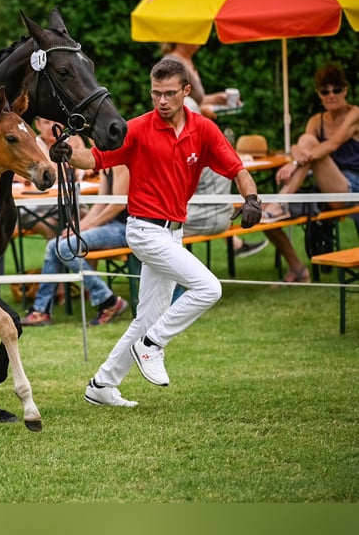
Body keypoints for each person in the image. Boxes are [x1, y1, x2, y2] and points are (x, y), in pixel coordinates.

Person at [49, 57, 262, 407]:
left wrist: (251, 197)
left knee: (147, 317)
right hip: (145, 231)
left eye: (169, 94)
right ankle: (152, 345)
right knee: (209, 287)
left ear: (186, 91)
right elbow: (96, 158)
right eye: (155, 93)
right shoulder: (136, 129)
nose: (162, 101)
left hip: (174, 233)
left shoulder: (205, 129)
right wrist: (67, 155)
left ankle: (101, 384)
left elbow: (237, 168)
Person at [163, 44, 267, 258]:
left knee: (145, 229)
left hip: (204, 216)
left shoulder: (191, 137)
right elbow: (239, 171)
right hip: (218, 213)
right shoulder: (202, 131)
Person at [259, 63, 359, 283]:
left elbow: (332, 145)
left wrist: (295, 162)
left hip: (349, 190)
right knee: (260, 213)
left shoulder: (355, 114)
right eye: (325, 91)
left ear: (345, 90)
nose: (331, 95)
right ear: (319, 94)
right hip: (320, 190)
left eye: (337, 89)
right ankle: (297, 268)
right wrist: (296, 156)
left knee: (311, 144)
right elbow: (298, 147)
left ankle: (281, 203)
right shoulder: (317, 120)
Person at [20, 163, 130, 327]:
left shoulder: (120, 163)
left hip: (126, 228)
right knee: (54, 245)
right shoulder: (108, 163)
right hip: (113, 226)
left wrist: (84, 227)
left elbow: (118, 205)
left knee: (64, 247)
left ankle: (108, 300)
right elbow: (100, 204)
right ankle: (41, 310)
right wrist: (78, 228)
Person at [14, 116, 88, 239]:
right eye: (46, 122)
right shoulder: (32, 145)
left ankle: (83, 256)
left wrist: (81, 170)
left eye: (55, 121)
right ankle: (56, 256)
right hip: (35, 208)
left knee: (86, 216)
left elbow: (87, 169)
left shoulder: (74, 141)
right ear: (38, 125)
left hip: (68, 204)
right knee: (52, 226)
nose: (51, 127)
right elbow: (53, 175)